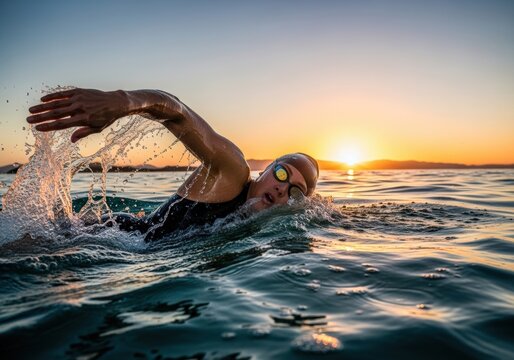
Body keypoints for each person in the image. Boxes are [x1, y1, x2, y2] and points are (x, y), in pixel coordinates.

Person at [26, 88, 319, 240]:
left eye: (295, 192)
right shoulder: (233, 170)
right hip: (112, 235)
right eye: (282, 174)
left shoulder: (261, 223)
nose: (282, 189)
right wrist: (122, 101)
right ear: (266, 169)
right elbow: (177, 112)